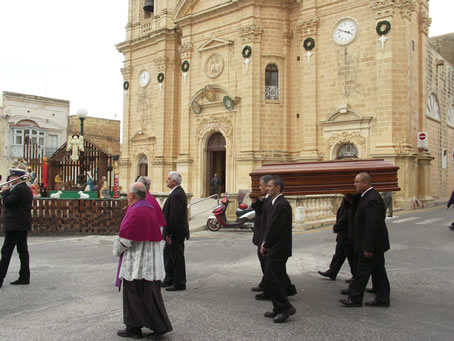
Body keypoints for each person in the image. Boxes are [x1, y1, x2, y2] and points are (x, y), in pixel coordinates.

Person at [113, 182, 172, 339]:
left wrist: (116, 250)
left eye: (127, 194)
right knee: (140, 296)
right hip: (147, 259)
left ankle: (157, 328)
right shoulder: (147, 207)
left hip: (138, 260)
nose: (126, 196)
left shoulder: (137, 211)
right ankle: (133, 328)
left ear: (132, 195)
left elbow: (125, 239)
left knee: (140, 296)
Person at [339, 172, 390, 308]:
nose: (354, 184)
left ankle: (355, 298)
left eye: (356, 182)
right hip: (375, 244)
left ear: (365, 183)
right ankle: (383, 298)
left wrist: (368, 248)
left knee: (362, 271)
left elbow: (372, 225)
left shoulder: (371, 199)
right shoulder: (366, 196)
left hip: (370, 244)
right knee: (378, 271)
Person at [260, 175, 296, 323]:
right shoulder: (274, 202)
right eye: (266, 186)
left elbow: (275, 228)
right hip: (275, 246)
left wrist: (266, 244)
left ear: (277, 188)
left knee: (270, 278)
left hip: (278, 248)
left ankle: (285, 307)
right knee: (273, 277)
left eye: (269, 186)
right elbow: (269, 225)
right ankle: (278, 307)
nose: (266, 188)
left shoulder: (281, 204)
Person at [0, 168, 33, 288]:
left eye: (12, 177)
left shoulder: (18, 189)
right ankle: (24, 276)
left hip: (15, 224)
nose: (9, 179)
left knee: (6, 251)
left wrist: (4, 192)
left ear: (17, 177)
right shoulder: (25, 188)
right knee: (22, 250)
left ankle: (0, 278)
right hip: (22, 224)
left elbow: (8, 203)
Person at [318, 194, 358, 282]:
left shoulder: (352, 201)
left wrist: (337, 226)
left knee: (351, 257)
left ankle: (356, 276)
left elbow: (347, 216)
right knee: (339, 254)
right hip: (343, 234)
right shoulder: (346, 200)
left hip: (348, 234)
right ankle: (332, 271)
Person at [162, 171, 189, 291]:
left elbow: (175, 216)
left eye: (168, 179)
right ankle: (169, 279)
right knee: (169, 256)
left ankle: (179, 283)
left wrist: (169, 233)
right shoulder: (175, 193)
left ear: (174, 181)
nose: (166, 181)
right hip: (173, 232)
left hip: (176, 233)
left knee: (177, 257)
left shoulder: (177, 194)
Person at [250, 175, 272, 293]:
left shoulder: (273, 201)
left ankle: (275, 289)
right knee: (266, 263)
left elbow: (268, 220)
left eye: (261, 185)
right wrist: (256, 202)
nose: (259, 187)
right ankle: (266, 284)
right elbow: (261, 213)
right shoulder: (267, 199)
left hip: (265, 237)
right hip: (262, 234)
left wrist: (266, 240)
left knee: (268, 264)